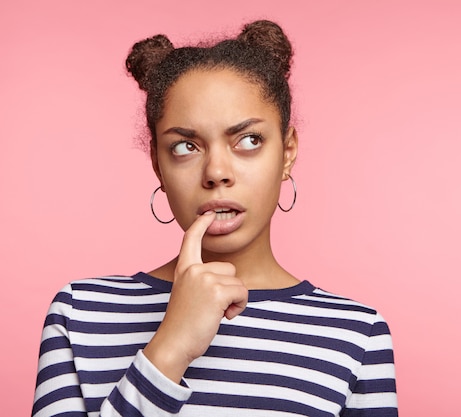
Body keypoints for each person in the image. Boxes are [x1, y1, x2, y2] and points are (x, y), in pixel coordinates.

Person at [32, 20, 398, 416]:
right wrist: (171, 347)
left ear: (287, 152)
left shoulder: (356, 334)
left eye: (248, 140)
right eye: (186, 146)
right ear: (157, 162)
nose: (216, 172)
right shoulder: (82, 313)